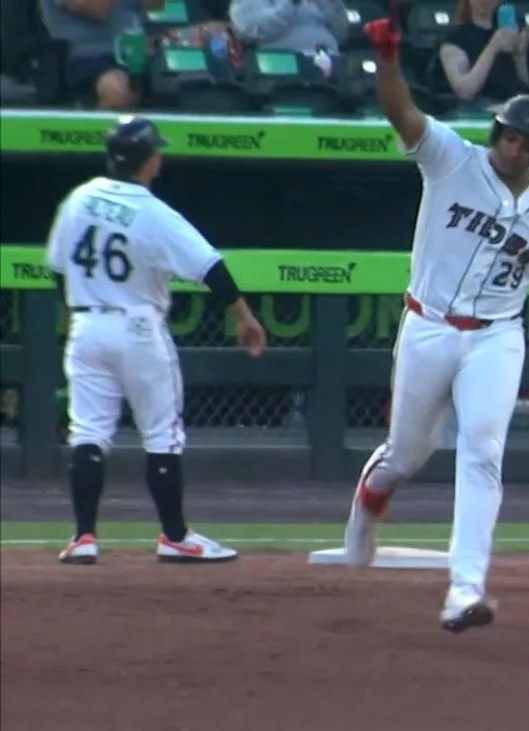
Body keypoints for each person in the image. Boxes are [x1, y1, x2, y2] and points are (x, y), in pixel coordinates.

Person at [345, 18, 529, 634]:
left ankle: (465, 589)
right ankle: (370, 502)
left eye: (526, 143)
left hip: (496, 336)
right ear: (496, 131)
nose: (513, 148)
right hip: (427, 324)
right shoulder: (451, 158)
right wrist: (388, 60)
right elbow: (401, 112)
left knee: (483, 451)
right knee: (407, 454)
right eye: (509, 135)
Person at [46, 116, 267, 566]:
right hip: (137, 328)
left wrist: (75, 316)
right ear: (149, 161)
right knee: (162, 433)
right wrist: (245, 317)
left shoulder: (79, 198)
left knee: (88, 432)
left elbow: (57, 268)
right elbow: (210, 267)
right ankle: (175, 536)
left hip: (86, 325)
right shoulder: (154, 213)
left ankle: (83, 536)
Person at [39, 0, 163, 109]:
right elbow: (99, 9)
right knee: (119, 91)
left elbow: (154, 4)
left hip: (136, 50)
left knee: (168, 83)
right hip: (88, 56)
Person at [438, 0, 529, 105]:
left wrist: (520, 55)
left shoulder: (506, 30)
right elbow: (464, 92)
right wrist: (493, 45)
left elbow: (525, 83)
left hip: (513, 104)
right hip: (478, 108)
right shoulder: (455, 38)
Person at [229, 0, 350, 55]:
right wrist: (291, 3)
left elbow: (340, 32)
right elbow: (253, 29)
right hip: (281, 61)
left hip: (326, 58)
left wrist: (333, 4)